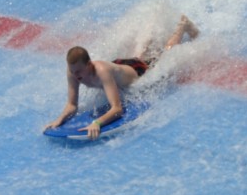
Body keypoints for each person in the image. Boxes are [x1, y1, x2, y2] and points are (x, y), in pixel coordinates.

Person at [44, 15, 199, 140]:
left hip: (137, 72)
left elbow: (117, 109)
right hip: (120, 67)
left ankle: (182, 26)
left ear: (89, 65)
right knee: (145, 55)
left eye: (78, 71)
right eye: (73, 71)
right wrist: (59, 120)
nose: (75, 75)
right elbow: (72, 105)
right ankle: (157, 32)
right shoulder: (73, 71)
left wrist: (97, 123)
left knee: (165, 54)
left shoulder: (101, 72)